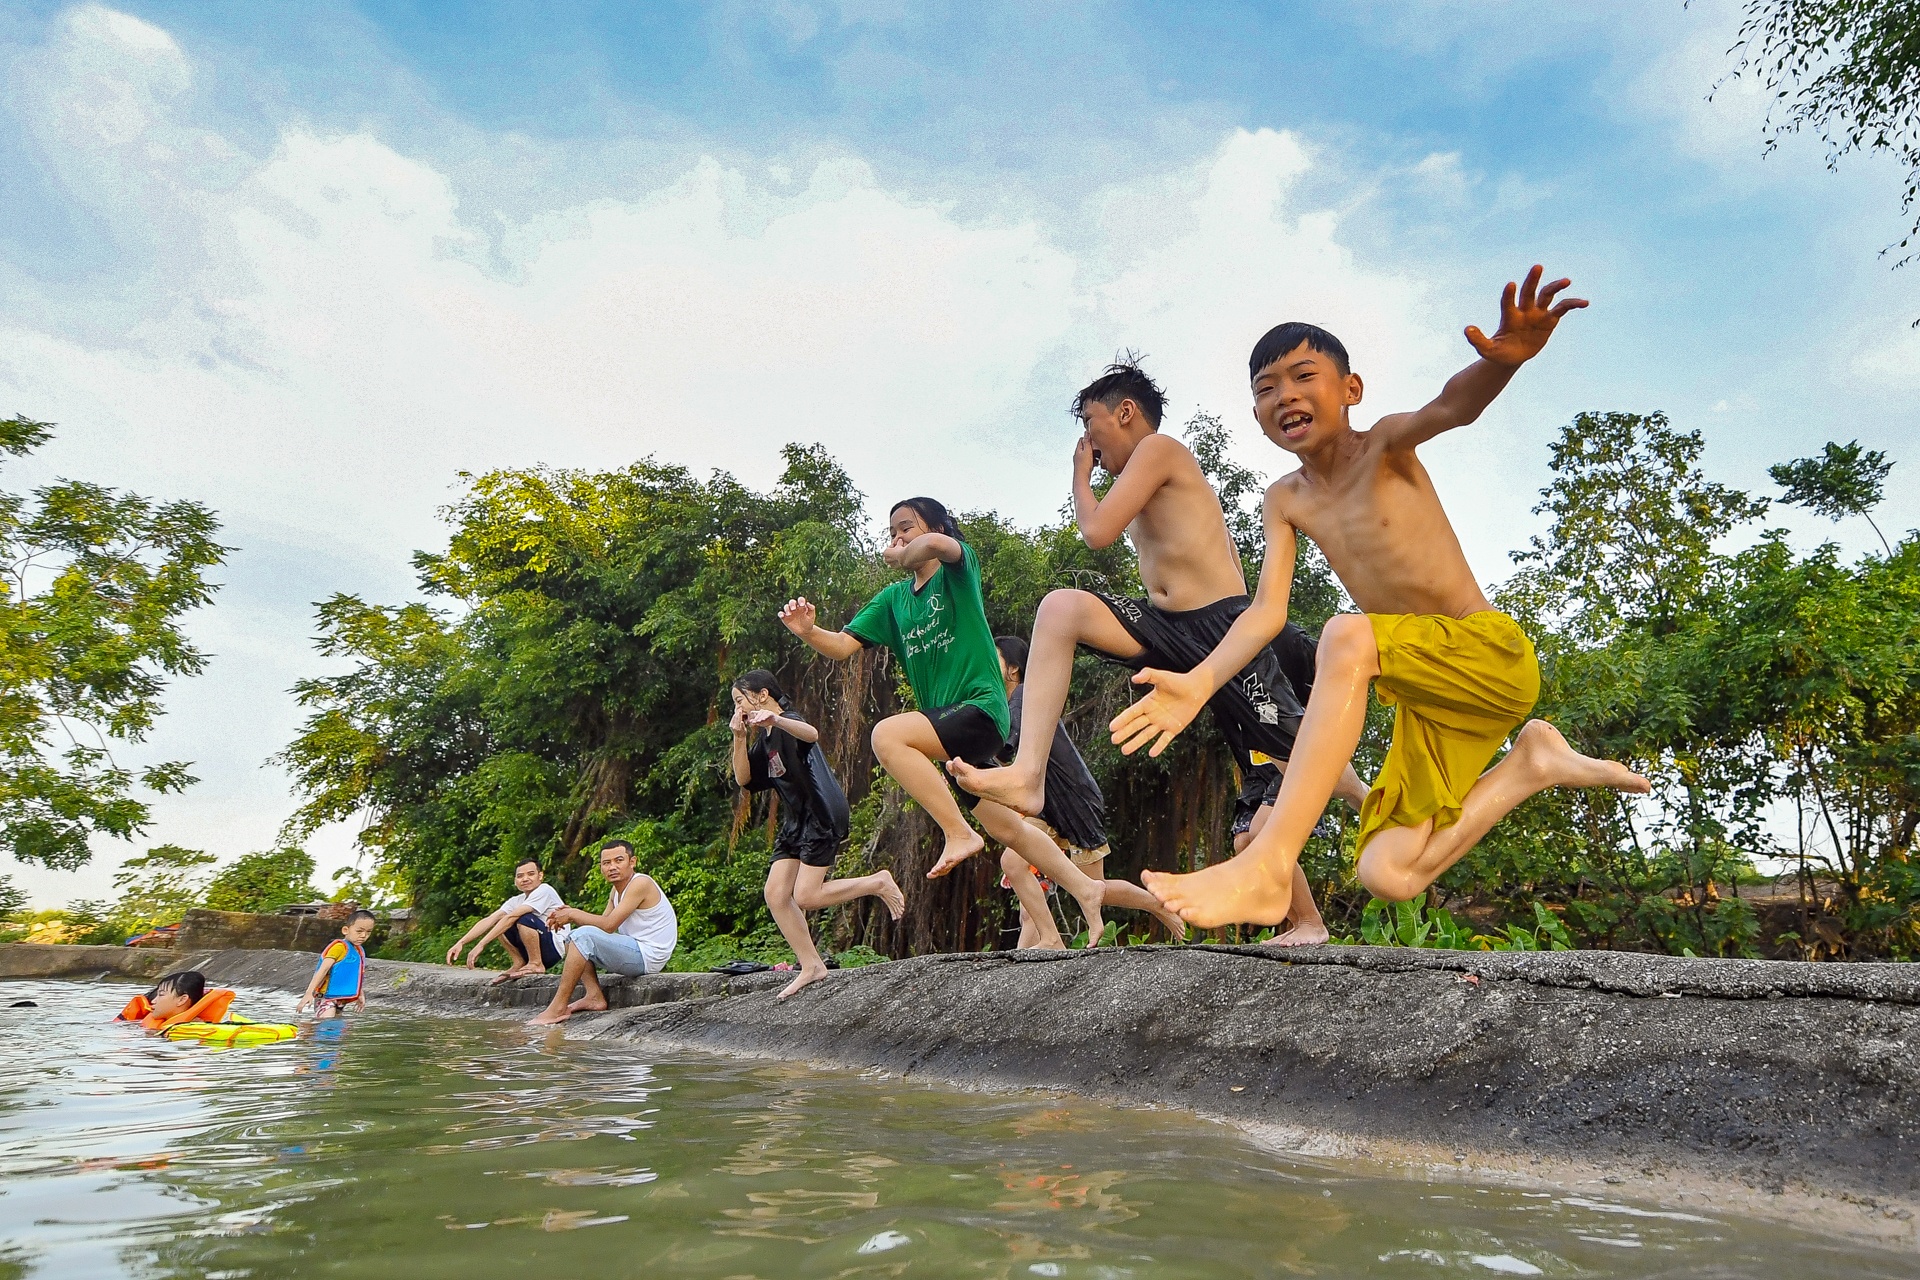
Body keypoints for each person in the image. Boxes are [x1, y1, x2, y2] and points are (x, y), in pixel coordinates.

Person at [1121, 265, 1649, 927]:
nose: (1284, 395)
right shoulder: (1285, 500)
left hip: (1487, 656)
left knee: (1346, 633)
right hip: (1431, 697)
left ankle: (1269, 864)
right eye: (1265, 388)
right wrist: (1199, 683)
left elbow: (1453, 406)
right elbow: (1266, 613)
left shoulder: (1387, 446)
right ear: (1256, 413)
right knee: (1388, 872)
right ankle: (1532, 764)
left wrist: (1504, 363)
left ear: (1351, 389)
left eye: (1303, 376)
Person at [948, 362, 1362, 884]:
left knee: (1296, 747)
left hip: (1218, 630)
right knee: (1060, 608)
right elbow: (1219, 546)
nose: (1090, 447)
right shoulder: (1150, 476)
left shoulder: (1158, 449)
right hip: (1167, 626)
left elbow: (1097, 531)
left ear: (1125, 412)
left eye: (1091, 426)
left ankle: (1372, 802)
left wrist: (1078, 474)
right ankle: (1029, 773)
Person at [778, 497, 1116, 945]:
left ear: (935, 529)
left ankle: (957, 832)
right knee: (1006, 827)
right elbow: (842, 645)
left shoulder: (959, 572)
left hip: (978, 709)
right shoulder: (893, 601)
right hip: (948, 730)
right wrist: (808, 632)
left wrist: (914, 547)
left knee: (887, 735)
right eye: (891, 531)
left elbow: (942, 546)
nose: (896, 537)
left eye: (906, 527)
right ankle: (1085, 888)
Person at [991, 636, 1185, 947]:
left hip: (1074, 800)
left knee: (1095, 885)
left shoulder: (1024, 697)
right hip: (1045, 807)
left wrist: (961, 754)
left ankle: (1157, 904)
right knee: (1013, 864)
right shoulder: (1010, 702)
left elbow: (1002, 751)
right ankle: (1048, 940)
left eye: (994, 657)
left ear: (1013, 668)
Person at [730, 669, 906, 999]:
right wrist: (740, 738)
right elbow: (744, 780)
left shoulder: (788, 724)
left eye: (741, 700)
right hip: (796, 821)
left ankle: (877, 882)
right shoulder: (765, 739)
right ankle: (811, 965)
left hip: (822, 813)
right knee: (775, 894)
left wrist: (778, 719)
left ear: (762, 695)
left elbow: (811, 733)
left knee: (807, 896)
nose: (738, 708)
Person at [529, 840, 678, 1025]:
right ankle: (594, 996)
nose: (612, 867)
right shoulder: (615, 892)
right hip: (634, 950)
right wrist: (569, 915)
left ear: (632, 862)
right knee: (573, 938)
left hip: (648, 955)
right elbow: (602, 928)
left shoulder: (641, 883)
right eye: (606, 863)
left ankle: (558, 1007)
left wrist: (574, 914)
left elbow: (608, 925)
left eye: (619, 860)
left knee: (582, 936)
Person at [444, 858, 571, 983]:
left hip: (553, 949)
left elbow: (512, 917)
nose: (525, 879)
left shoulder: (545, 890)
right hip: (532, 946)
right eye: (520, 876)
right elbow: (490, 919)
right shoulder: (516, 900)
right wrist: (461, 942)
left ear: (540, 875)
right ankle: (519, 962)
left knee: (522, 918)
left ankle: (536, 963)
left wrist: (481, 944)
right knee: (501, 921)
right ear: (515, 881)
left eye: (531, 874)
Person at [297, 910, 376, 1018]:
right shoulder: (339, 947)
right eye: (359, 931)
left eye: (368, 932)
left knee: (336, 1028)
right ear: (345, 930)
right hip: (326, 997)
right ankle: (306, 1031)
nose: (363, 935)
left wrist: (360, 994)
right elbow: (323, 970)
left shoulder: (359, 950)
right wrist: (309, 993)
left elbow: (354, 975)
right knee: (326, 1025)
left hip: (341, 999)